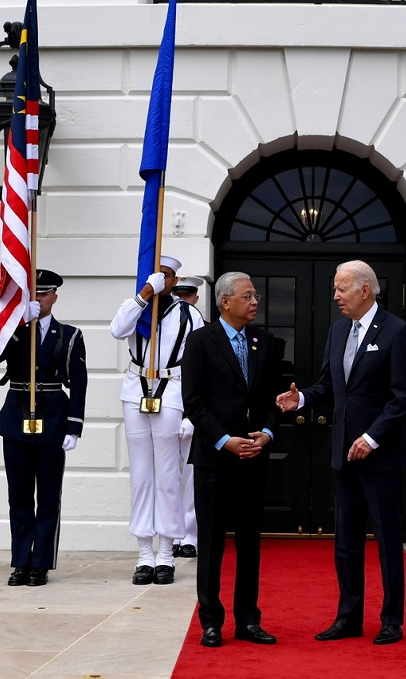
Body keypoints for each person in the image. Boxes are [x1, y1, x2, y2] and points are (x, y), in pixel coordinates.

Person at [277, 260, 406, 646]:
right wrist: (301, 398)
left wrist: (372, 437)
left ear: (365, 290)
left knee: (389, 541)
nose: (335, 296)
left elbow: (403, 397)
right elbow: (329, 385)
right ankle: (349, 617)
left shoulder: (398, 332)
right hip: (343, 453)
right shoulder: (339, 330)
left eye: (341, 289)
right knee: (347, 540)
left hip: (381, 456)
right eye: (336, 289)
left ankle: (391, 620)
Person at [181, 271, 280, 649]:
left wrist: (267, 434)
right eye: (247, 296)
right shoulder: (201, 341)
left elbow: (272, 394)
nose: (255, 301)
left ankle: (248, 621)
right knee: (210, 544)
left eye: (255, 295)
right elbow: (194, 401)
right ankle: (211, 621)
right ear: (225, 302)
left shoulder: (263, 340)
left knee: (250, 543)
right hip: (213, 459)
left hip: (253, 457)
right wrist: (225, 441)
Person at [110, 257, 205, 585]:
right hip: (136, 391)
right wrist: (145, 293)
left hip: (173, 391)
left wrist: (193, 413)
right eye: (155, 275)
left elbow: (200, 363)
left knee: (167, 475)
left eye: (165, 276)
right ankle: (143, 554)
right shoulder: (134, 305)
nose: (161, 280)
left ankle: (166, 552)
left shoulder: (188, 313)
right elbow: (117, 330)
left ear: (175, 278)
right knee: (141, 476)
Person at [0, 269, 86, 587]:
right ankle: (21, 561)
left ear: (54, 297)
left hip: (53, 417)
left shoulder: (70, 335)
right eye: (34, 294)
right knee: (18, 495)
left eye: (44, 294)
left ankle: (41, 563)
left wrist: (74, 427)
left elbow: (80, 383)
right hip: (17, 416)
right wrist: (18, 322)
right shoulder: (13, 330)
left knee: (47, 496)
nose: (39, 298)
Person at [171, 273, 205, 560]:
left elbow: (206, 379)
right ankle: (170, 533)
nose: (184, 301)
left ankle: (190, 535)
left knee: (191, 476)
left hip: (193, 412)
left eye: (188, 296)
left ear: (196, 298)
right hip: (166, 409)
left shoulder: (202, 330)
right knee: (168, 476)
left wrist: (192, 415)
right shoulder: (163, 326)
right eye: (178, 295)